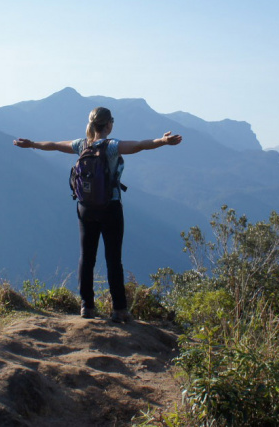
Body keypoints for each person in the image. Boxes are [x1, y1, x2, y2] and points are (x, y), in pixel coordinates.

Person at [13, 107, 182, 323]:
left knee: (87, 257)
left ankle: (87, 306)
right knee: (113, 259)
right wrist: (162, 141)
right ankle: (119, 310)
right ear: (109, 124)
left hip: (85, 208)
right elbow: (139, 145)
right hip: (110, 207)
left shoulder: (81, 145)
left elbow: (55, 145)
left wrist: (32, 144)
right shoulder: (111, 147)